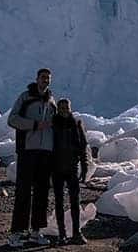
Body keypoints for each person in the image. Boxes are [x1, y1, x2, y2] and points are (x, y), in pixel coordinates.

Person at [6, 68, 57, 248]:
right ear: (36, 79)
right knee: (23, 192)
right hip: (28, 150)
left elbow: (55, 126)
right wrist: (34, 125)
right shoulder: (25, 97)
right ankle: (16, 233)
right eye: (43, 78)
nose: (46, 81)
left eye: (48, 78)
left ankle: (36, 231)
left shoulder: (51, 101)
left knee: (42, 192)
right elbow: (12, 119)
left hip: (46, 152)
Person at [51, 98, 89, 245]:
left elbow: (83, 147)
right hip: (56, 169)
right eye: (61, 108)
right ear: (58, 109)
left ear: (70, 108)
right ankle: (62, 234)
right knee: (59, 202)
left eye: (66, 108)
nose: (64, 110)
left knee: (75, 202)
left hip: (72, 168)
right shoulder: (53, 124)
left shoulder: (76, 124)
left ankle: (76, 233)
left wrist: (84, 168)